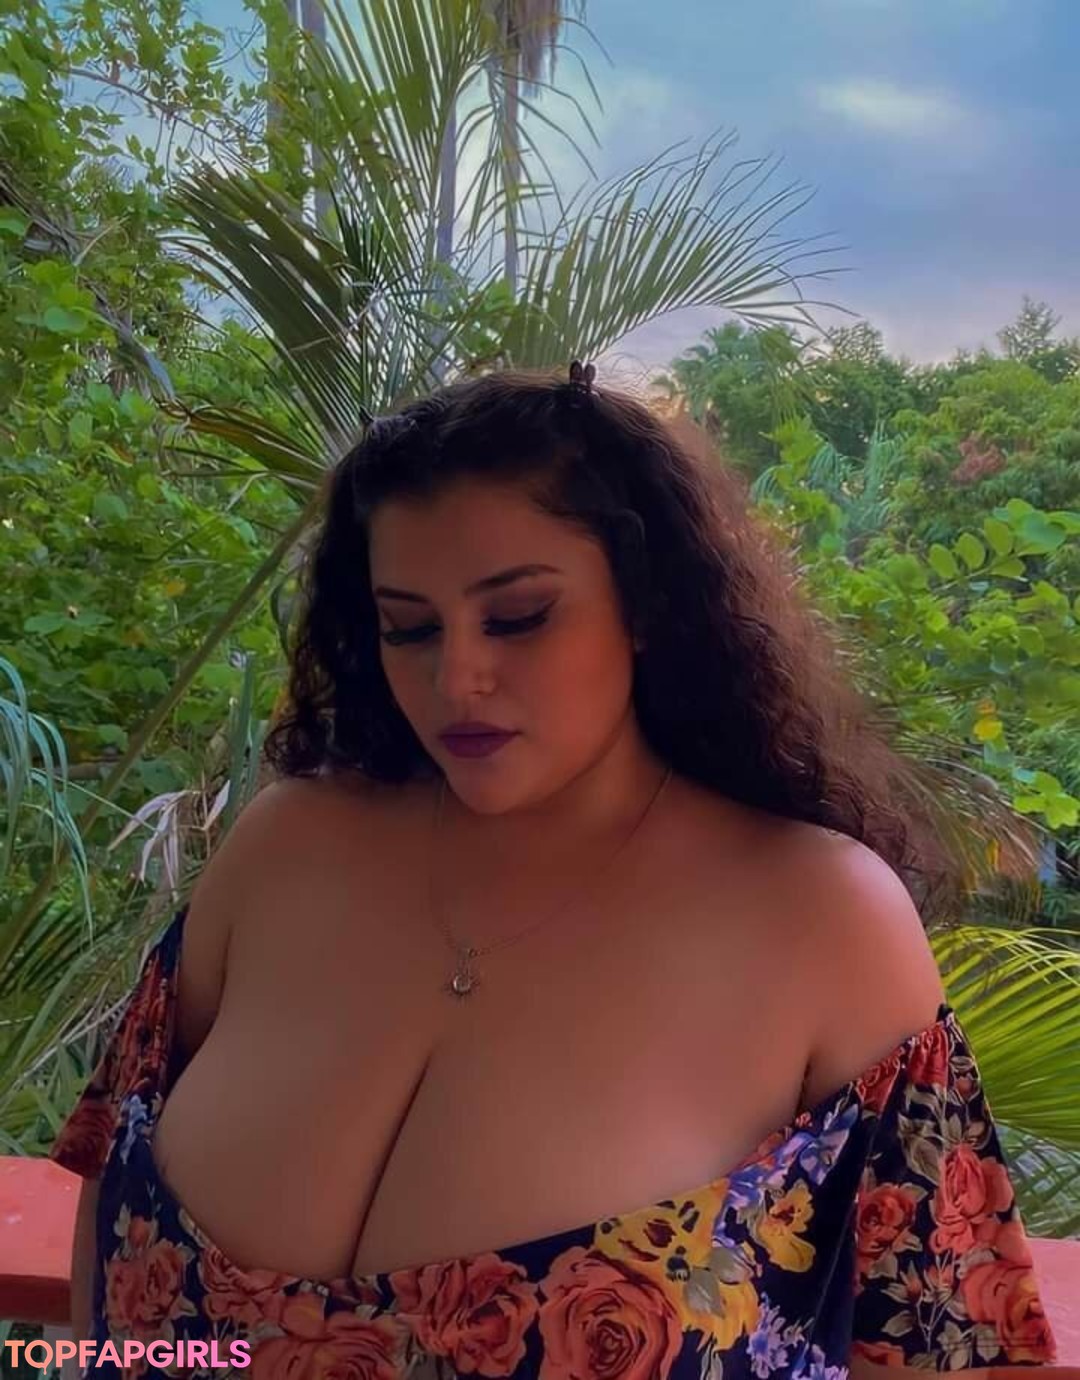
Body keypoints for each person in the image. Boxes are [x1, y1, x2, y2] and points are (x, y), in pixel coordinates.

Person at [51, 362, 1058, 1380]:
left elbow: (942, 1345)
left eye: (520, 616)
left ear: (647, 605)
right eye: (410, 626)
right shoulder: (281, 851)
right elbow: (108, 1187)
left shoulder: (820, 918)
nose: (457, 677)